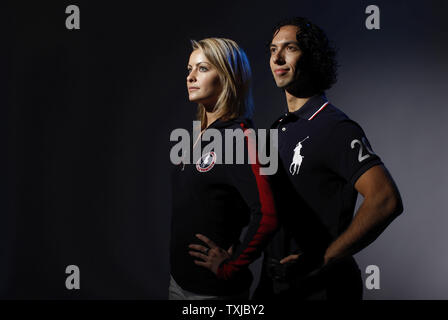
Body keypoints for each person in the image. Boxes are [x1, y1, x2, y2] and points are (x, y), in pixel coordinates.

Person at [251, 17, 404, 300]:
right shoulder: (278, 128)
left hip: (323, 289)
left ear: (312, 58)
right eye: (273, 50)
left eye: (290, 48)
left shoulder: (335, 127)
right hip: (273, 285)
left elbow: (385, 199)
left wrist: (324, 258)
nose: (278, 57)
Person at [169, 38, 278, 300]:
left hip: (213, 293)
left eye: (203, 69)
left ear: (228, 77)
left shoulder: (242, 138)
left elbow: (268, 215)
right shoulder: (197, 134)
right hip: (178, 284)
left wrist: (231, 266)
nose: (191, 77)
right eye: (189, 69)